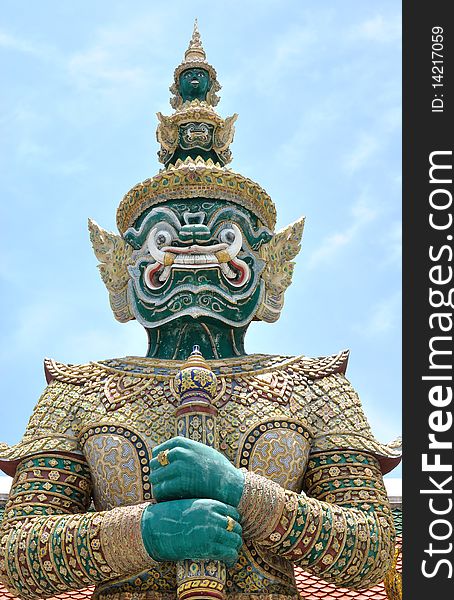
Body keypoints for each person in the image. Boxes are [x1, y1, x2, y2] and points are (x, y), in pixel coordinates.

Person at [0, 20, 401, 600]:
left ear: (272, 269)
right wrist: (145, 533)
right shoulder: (77, 393)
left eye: (226, 239)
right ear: (121, 269)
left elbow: (369, 555)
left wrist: (242, 491)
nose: (195, 256)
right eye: (165, 239)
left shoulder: (315, 389)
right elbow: (18, 557)